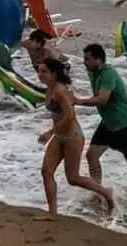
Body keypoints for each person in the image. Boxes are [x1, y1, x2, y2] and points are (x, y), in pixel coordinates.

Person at [75, 43, 127, 205]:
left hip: (125, 124)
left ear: (98, 60)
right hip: (108, 123)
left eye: (87, 59)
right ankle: (98, 191)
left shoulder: (108, 74)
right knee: (91, 155)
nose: (84, 62)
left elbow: (102, 99)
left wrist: (78, 101)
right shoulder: (93, 72)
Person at [35, 57, 115, 220]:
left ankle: (106, 192)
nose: (40, 74)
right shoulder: (49, 90)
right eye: (39, 71)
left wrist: (50, 132)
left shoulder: (60, 90)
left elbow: (70, 116)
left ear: (54, 73)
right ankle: (52, 213)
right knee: (46, 171)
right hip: (59, 136)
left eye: (44, 71)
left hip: (72, 137)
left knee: (73, 178)